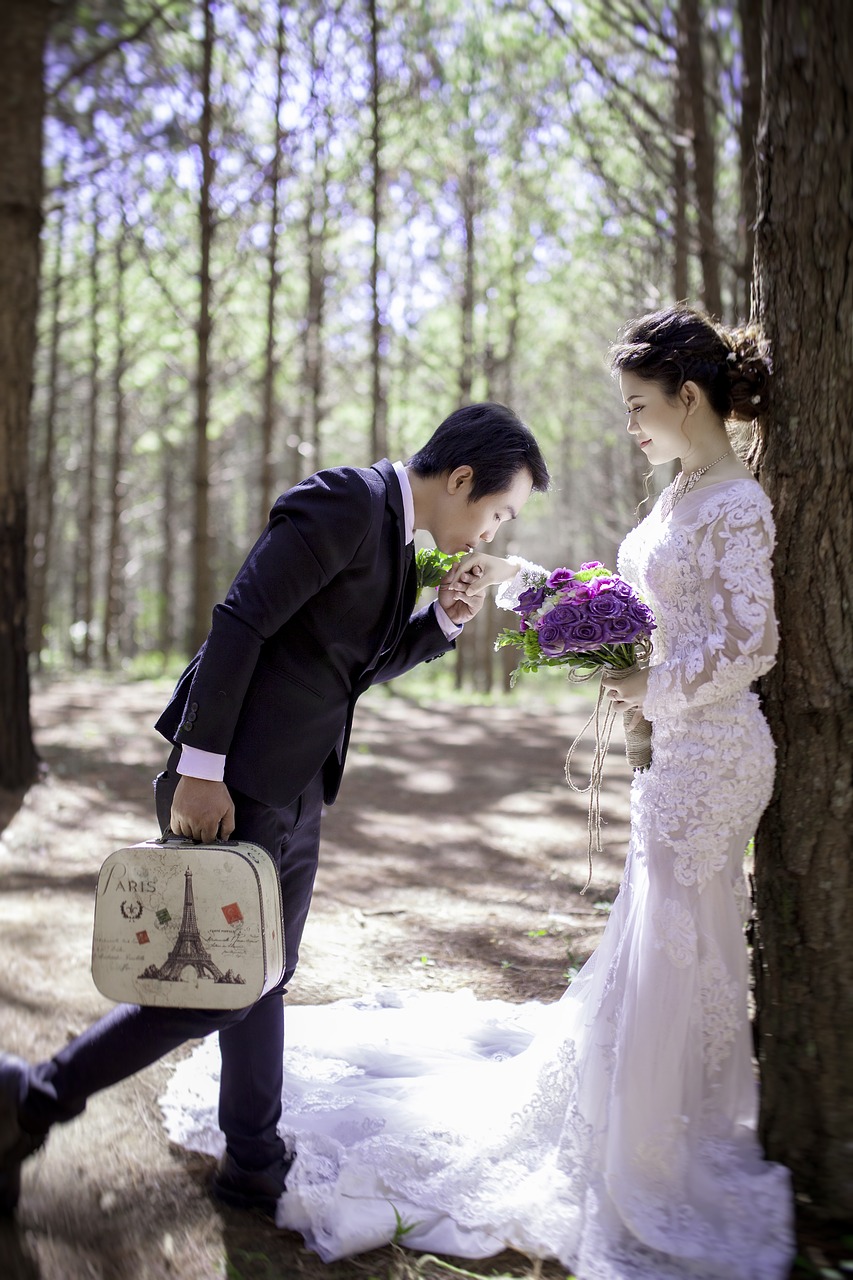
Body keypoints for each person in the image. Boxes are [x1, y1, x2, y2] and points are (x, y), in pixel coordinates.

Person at [159, 306, 795, 1279]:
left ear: (689, 397)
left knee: (681, 952)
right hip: (667, 752)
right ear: (462, 481)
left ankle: (671, 1147)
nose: (629, 423)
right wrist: (547, 614)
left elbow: (749, 642)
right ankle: (225, 1141)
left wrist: (642, 679)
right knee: (650, 948)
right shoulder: (673, 495)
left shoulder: (733, 501)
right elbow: (257, 627)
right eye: (496, 513)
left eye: (636, 404)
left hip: (710, 755)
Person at [0, 402, 550, 1218]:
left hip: (298, 786)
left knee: (264, 976)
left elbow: (346, 669)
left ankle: (253, 1159)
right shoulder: (342, 501)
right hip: (234, 783)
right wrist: (199, 767)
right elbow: (240, 622)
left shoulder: (403, 543)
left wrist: (441, 619)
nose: (493, 534)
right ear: (461, 479)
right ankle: (32, 1099)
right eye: (498, 512)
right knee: (219, 987)